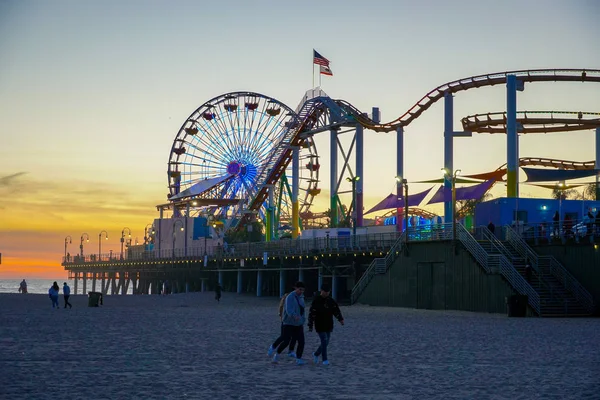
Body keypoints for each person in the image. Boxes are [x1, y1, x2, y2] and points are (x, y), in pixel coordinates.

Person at [307, 283, 344, 366]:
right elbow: (312, 313)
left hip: (329, 324)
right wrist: (310, 325)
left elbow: (336, 310)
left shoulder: (331, 300)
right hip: (319, 324)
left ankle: (316, 354)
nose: (327, 293)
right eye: (325, 292)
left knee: (326, 342)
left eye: (328, 292)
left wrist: (340, 319)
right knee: (324, 340)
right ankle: (325, 359)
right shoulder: (316, 300)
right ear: (321, 291)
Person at [272, 281, 306, 365]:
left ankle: (298, 359)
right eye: (300, 289)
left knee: (301, 341)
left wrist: (303, 319)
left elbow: (303, 309)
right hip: (288, 323)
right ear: (296, 288)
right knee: (286, 341)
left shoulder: (302, 297)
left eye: (303, 290)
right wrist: (294, 316)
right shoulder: (290, 297)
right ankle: (277, 354)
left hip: (298, 324)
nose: (301, 291)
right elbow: (288, 309)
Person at [267, 290, 297, 359]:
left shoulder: (296, 299)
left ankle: (291, 351)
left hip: (294, 322)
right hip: (286, 322)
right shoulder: (287, 298)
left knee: (294, 337)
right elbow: (281, 308)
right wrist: (281, 316)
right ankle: (273, 347)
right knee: (283, 337)